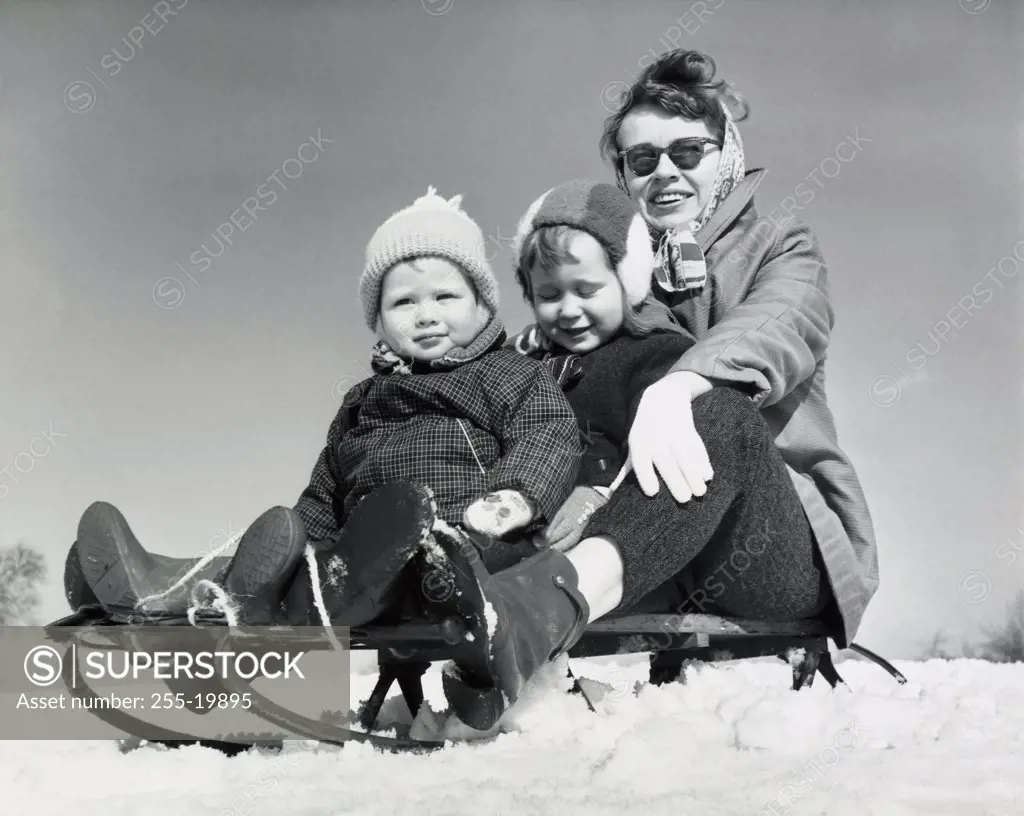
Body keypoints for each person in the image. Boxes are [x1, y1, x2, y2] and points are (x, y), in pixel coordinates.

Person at [430, 48, 878, 731]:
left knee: (717, 410)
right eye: (643, 160)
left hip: (768, 552)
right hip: (654, 557)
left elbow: (782, 323)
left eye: (688, 152)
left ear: (726, 155)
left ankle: (542, 608)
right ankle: (415, 597)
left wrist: (683, 384)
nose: (665, 171)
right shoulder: (609, 290)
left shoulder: (780, 247)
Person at [66, 188, 583, 626]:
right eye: (403, 302)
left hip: (464, 548)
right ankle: (156, 589)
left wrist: (512, 497)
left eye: (445, 297)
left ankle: (265, 596)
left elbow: (549, 432)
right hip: (349, 558)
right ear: (378, 320)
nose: (425, 315)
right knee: (289, 562)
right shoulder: (362, 400)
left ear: (483, 306)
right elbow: (325, 491)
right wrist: (286, 545)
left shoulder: (509, 372)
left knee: (378, 535)